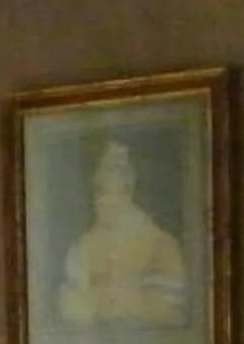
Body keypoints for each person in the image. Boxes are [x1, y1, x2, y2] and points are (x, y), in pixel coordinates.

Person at [55, 138, 188, 328]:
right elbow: (67, 309)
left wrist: (117, 301)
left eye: (114, 168)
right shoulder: (81, 247)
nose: (101, 179)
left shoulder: (162, 245)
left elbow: (170, 316)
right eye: (100, 170)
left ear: (131, 182)